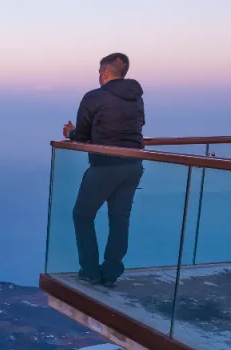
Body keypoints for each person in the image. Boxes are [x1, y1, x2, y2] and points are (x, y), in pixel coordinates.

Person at [61, 53, 145, 287]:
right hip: (134, 164)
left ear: (105, 73)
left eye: (99, 72)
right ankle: (111, 272)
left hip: (105, 166)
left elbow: (82, 135)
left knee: (82, 214)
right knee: (119, 218)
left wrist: (71, 132)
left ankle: (90, 270)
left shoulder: (94, 97)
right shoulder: (136, 98)